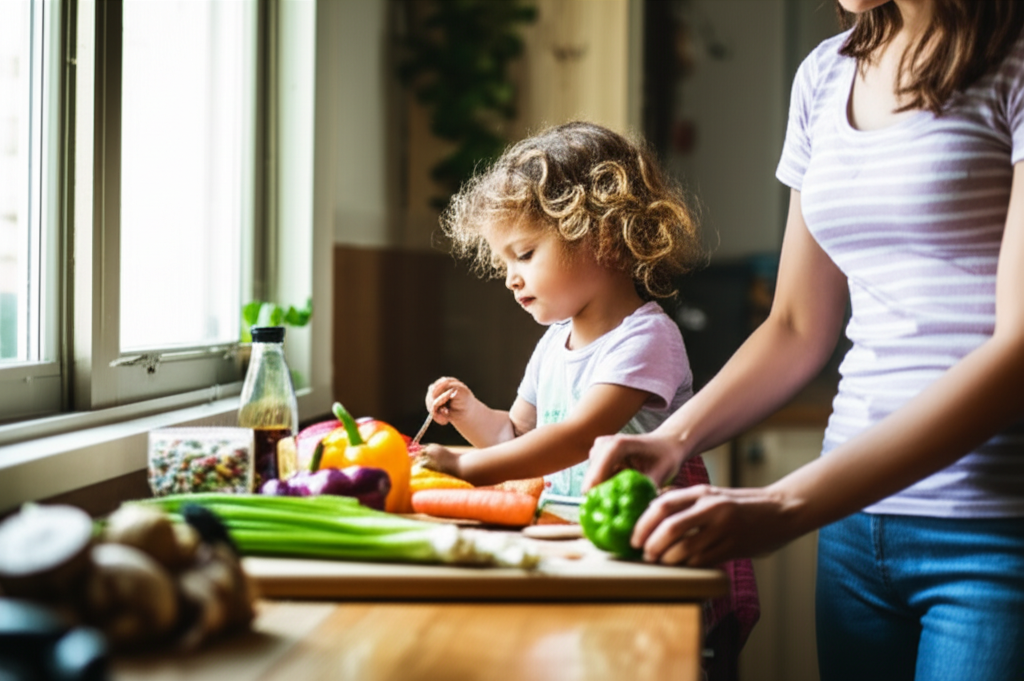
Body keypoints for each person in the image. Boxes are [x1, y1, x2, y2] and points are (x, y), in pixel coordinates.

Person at [584, 1, 1024, 679]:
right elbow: (795, 322)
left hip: (991, 527)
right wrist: (674, 437)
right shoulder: (825, 74)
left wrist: (785, 504)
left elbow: (1017, 352)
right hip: (852, 525)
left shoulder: (1015, 60)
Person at [416, 121, 759, 675]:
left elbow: (577, 440)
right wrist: (472, 416)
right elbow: (520, 439)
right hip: (576, 550)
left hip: (646, 558)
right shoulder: (554, 343)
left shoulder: (646, 339)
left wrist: (464, 465)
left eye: (524, 254)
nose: (509, 277)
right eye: (503, 263)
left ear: (601, 235)